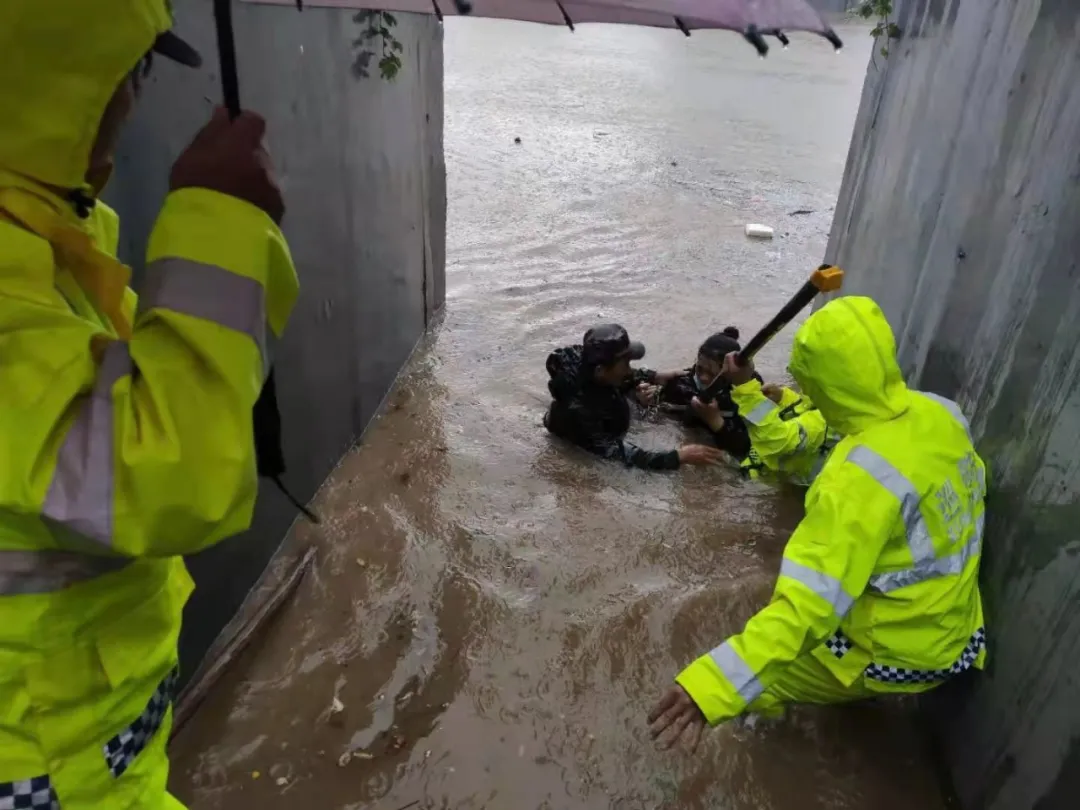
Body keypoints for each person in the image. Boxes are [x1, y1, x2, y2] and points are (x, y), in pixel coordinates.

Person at [0, 3, 298, 808]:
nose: (135, 101)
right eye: (132, 73)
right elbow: (168, 474)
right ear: (58, 88)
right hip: (45, 767)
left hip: (90, 733)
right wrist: (221, 221)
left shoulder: (45, 251)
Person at [648, 296, 987, 749]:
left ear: (824, 384)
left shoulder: (856, 479)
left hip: (895, 653)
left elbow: (809, 607)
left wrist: (713, 684)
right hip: (956, 631)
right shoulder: (941, 412)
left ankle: (762, 748)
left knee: (756, 687)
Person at [544, 324, 724, 470]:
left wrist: (654, 376)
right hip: (591, 443)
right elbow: (619, 454)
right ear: (600, 371)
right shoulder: (578, 413)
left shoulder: (587, 364)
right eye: (626, 363)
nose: (630, 369)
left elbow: (616, 377)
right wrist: (678, 457)